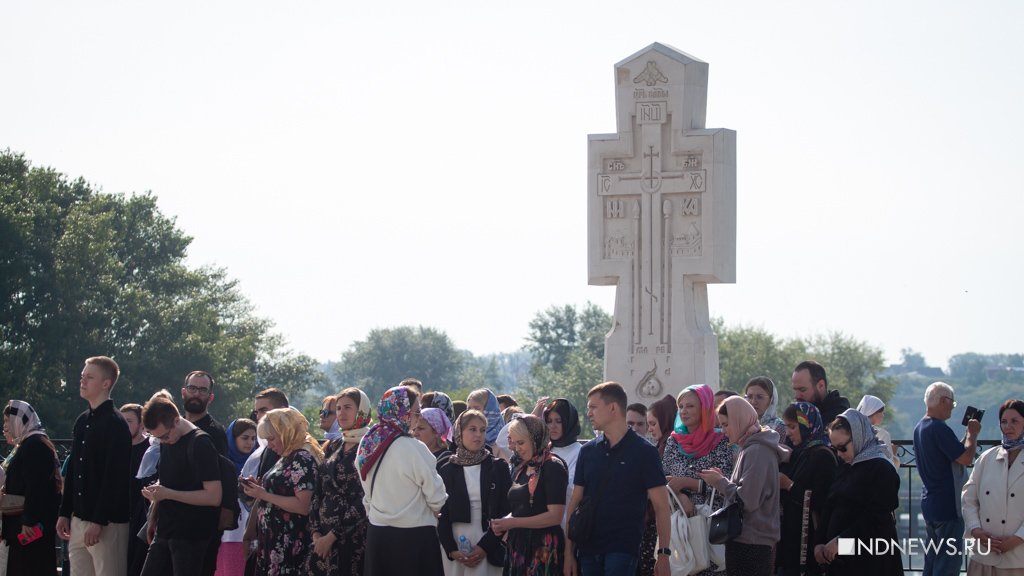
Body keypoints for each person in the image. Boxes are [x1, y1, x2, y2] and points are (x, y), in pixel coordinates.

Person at [565, 382, 672, 576]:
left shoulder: (645, 452)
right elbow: (575, 501)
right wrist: (568, 553)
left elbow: (662, 507)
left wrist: (663, 554)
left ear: (613, 407)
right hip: (587, 548)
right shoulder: (587, 451)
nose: (588, 413)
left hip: (623, 549)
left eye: (593, 407)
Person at [357, 385, 447, 575]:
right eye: (416, 411)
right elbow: (437, 497)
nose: (418, 417)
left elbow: (366, 490)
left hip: (378, 534)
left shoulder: (368, 442)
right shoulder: (414, 447)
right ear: (403, 412)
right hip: (414, 536)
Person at [58, 356, 132, 576]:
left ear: (106, 383)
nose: (82, 381)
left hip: (107, 524)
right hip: (79, 520)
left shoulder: (116, 424)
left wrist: (98, 520)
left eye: (89, 377)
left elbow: (114, 477)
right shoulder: (82, 421)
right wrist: (64, 511)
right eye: (82, 376)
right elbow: (73, 470)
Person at [698, 396, 787, 576]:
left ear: (739, 420)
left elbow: (748, 500)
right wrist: (723, 480)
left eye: (725, 424)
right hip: (746, 540)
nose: (723, 431)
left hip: (752, 543)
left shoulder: (757, 451)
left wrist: (720, 482)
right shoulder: (749, 447)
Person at [138, 396, 223, 576]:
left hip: (192, 534)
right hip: (165, 528)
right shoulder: (167, 440)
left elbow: (213, 496)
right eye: (157, 437)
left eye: (164, 436)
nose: (162, 441)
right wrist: (154, 513)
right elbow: (169, 481)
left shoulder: (201, 443)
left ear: (176, 421)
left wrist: (167, 493)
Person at [814, 409, 903, 576]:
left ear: (858, 437)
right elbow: (830, 504)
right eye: (835, 449)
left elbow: (876, 519)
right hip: (841, 560)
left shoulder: (881, 468)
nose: (839, 454)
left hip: (870, 560)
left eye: (842, 448)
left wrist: (842, 542)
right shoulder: (847, 465)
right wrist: (819, 542)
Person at [242, 407, 323, 575]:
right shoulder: (288, 455)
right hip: (273, 543)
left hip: (289, 545)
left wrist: (263, 494)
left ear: (286, 432)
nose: (270, 445)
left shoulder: (302, 457)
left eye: (272, 439)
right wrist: (260, 488)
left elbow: (303, 505)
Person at [662, 385, 734, 576]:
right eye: (681, 406)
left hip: (712, 527)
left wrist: (687, 483)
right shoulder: (674, 441)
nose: (684, 411)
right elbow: (664, 481)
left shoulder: (721, 440)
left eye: (690, 406)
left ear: (705, 407)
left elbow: (727, 487)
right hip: (681, 527)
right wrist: (680, 495)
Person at [914, 381, 980, 576]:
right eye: (952, 403)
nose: (952, 408)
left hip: (931, 504)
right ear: (943, 400)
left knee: (932, 562)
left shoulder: (920, 427)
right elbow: (966, 458)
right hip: (948, 505)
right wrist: (973, 435)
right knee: (947, 565)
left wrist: (966, 439)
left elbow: (952, 455)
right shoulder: (939, 428)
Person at [306, 387, 372, 576]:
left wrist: (332, 536)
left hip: (353, 537)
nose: (342, 413)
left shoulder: (369, 446)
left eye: (348, 408)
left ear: (361, 411)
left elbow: (365, 497)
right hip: (321, 538)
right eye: (339, 408)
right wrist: (317, 533)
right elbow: (319, 489)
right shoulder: (334, 445)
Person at [438, 409, 512, 575]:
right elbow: (441, 515)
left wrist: (485, 547)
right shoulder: (447, 470)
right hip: (456, 542)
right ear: (459, 432)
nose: (478, 435)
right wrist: (452, 550)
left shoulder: (497, 467)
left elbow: (504, 511)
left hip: (489, 540)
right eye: (472, 429)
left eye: (482, 430)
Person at [491, 414, 567, 576]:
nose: (517, 448)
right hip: (518, 545)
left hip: (542, 549)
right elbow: (522, 507)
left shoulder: (553, 466)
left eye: (521, 443)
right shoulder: (521, 466)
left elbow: (555, 516)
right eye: (514, 443)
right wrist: (505, 522)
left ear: (536, 439)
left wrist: (513, 522)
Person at [962, 399, 1024, 575]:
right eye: (1004, 421)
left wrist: (1018, 538)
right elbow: (969, 498)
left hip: (1019, 558)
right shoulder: (986, 458)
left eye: (1015, 421)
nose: (1008, 426)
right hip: (983, 555)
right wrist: (976, 530)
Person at [776, 402, 837, 576]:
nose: (788, 433)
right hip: (789, 541)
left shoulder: (823, 455)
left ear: (806, 425)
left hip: (808, 542)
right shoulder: (798, 453)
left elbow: (823, 500)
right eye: (786, 427)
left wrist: (789, 485)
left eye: (793, 427)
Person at [1, 400, 61, 575]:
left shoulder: (34, 445)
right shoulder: (28, 443)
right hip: (23, 526)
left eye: (7, 420)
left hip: (30, 528)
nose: (6, 425)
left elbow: (35, 487)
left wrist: (29, 520)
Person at [180, 370, 228, 576]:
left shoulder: (214, 432)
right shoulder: (175, 428)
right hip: (173, 524)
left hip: (201, 527)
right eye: (192, 388)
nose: (196, 394)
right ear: (183, 392)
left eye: (202, 390)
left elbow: (222, 482)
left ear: (210, 397)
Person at [217, 418, 257, 576]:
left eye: (253, 438)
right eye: (245, 438)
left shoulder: (257, 461)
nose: (250, 443)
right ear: (232, 439)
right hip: (227, 532)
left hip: (248, 533)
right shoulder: (223, 464)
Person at [122, 403, 152, 576]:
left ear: (141, 424)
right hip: (119, 517)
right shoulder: (117, 448)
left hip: (141, 517)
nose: (124, 426)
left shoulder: (150, 449)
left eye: (129, 421)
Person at [544, 398, 582, 527]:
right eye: (549, 421)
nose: (553, 426)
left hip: (566, 524)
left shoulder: (579, 452)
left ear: (568, 422)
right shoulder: (544, 451)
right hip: (541, 525)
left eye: (558, 421)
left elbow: (573, 490)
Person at [791, 361, 850, 426]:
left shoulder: (839, 418)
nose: (797, 396)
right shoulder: (800, 414)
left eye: (802, 390)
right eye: (795, 390)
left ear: (821, 385)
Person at [856, 395, 900, 468]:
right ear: (874, 412)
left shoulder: (853, 430)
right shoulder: (882, 434)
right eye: (882, 412)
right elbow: (890, 465)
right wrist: (894, 456)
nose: (883, 415)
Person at [744, 376, 786, 444]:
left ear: (771, 400)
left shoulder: (780, 428)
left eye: (759, 397)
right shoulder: (741, 426)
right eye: (749, 397)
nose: (753, 401)